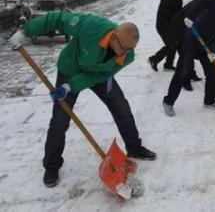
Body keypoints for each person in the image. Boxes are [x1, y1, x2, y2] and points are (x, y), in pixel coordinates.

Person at [8, 11, 156, 188]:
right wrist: (26, 31)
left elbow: (100, 75)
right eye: (124, 48)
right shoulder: (90, 26)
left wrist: (72, 86)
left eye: (130, 49)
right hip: (70, 68)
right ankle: (52, 164)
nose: (126, 53)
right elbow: (56, 19)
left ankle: (134, 147)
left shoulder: (127, 55)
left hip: (98, 75)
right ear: (114, 37)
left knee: (121, 107)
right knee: (60, 119)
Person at [148, 0, 188, 72]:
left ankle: (168, 65)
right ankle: (154, 59)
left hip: (169, 26)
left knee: (173, 43)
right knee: (171, 44)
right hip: (164, 26)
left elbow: (179, 13)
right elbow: (169, 14)